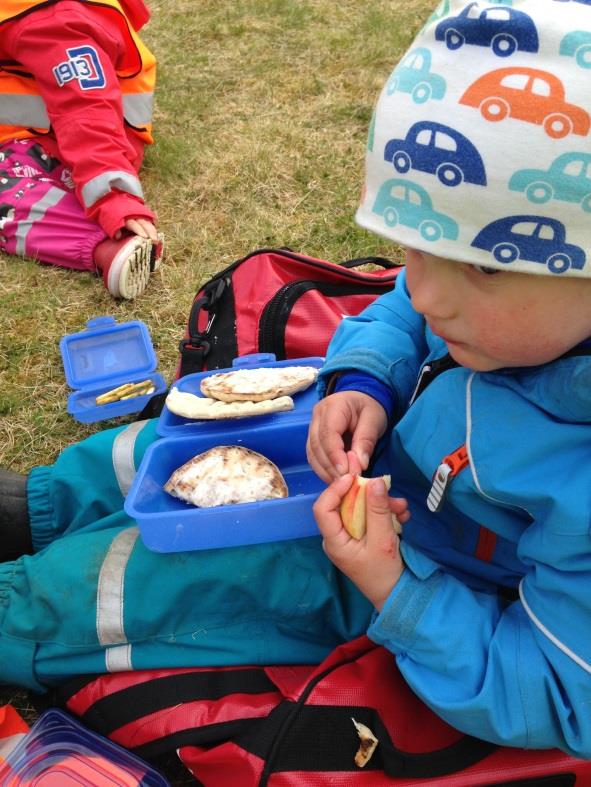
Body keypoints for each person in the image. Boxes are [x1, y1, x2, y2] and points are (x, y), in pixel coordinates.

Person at [0, 0, 590, 763]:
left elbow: (552, 689)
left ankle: (22, 612)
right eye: (413, 244)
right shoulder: (489, 301)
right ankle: (35, 507)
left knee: (153, 579)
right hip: (361, 460)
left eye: (479, 265)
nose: (427, 291)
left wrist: (391, 586)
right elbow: (400, 309)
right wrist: (365, 379)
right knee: (166, 445)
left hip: (392, 566)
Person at [0, 0, 163, 299]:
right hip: (49, 133)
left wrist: (114, 198)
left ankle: (109, 244)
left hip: (71, 145)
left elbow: (85, 111)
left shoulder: (51, 20)